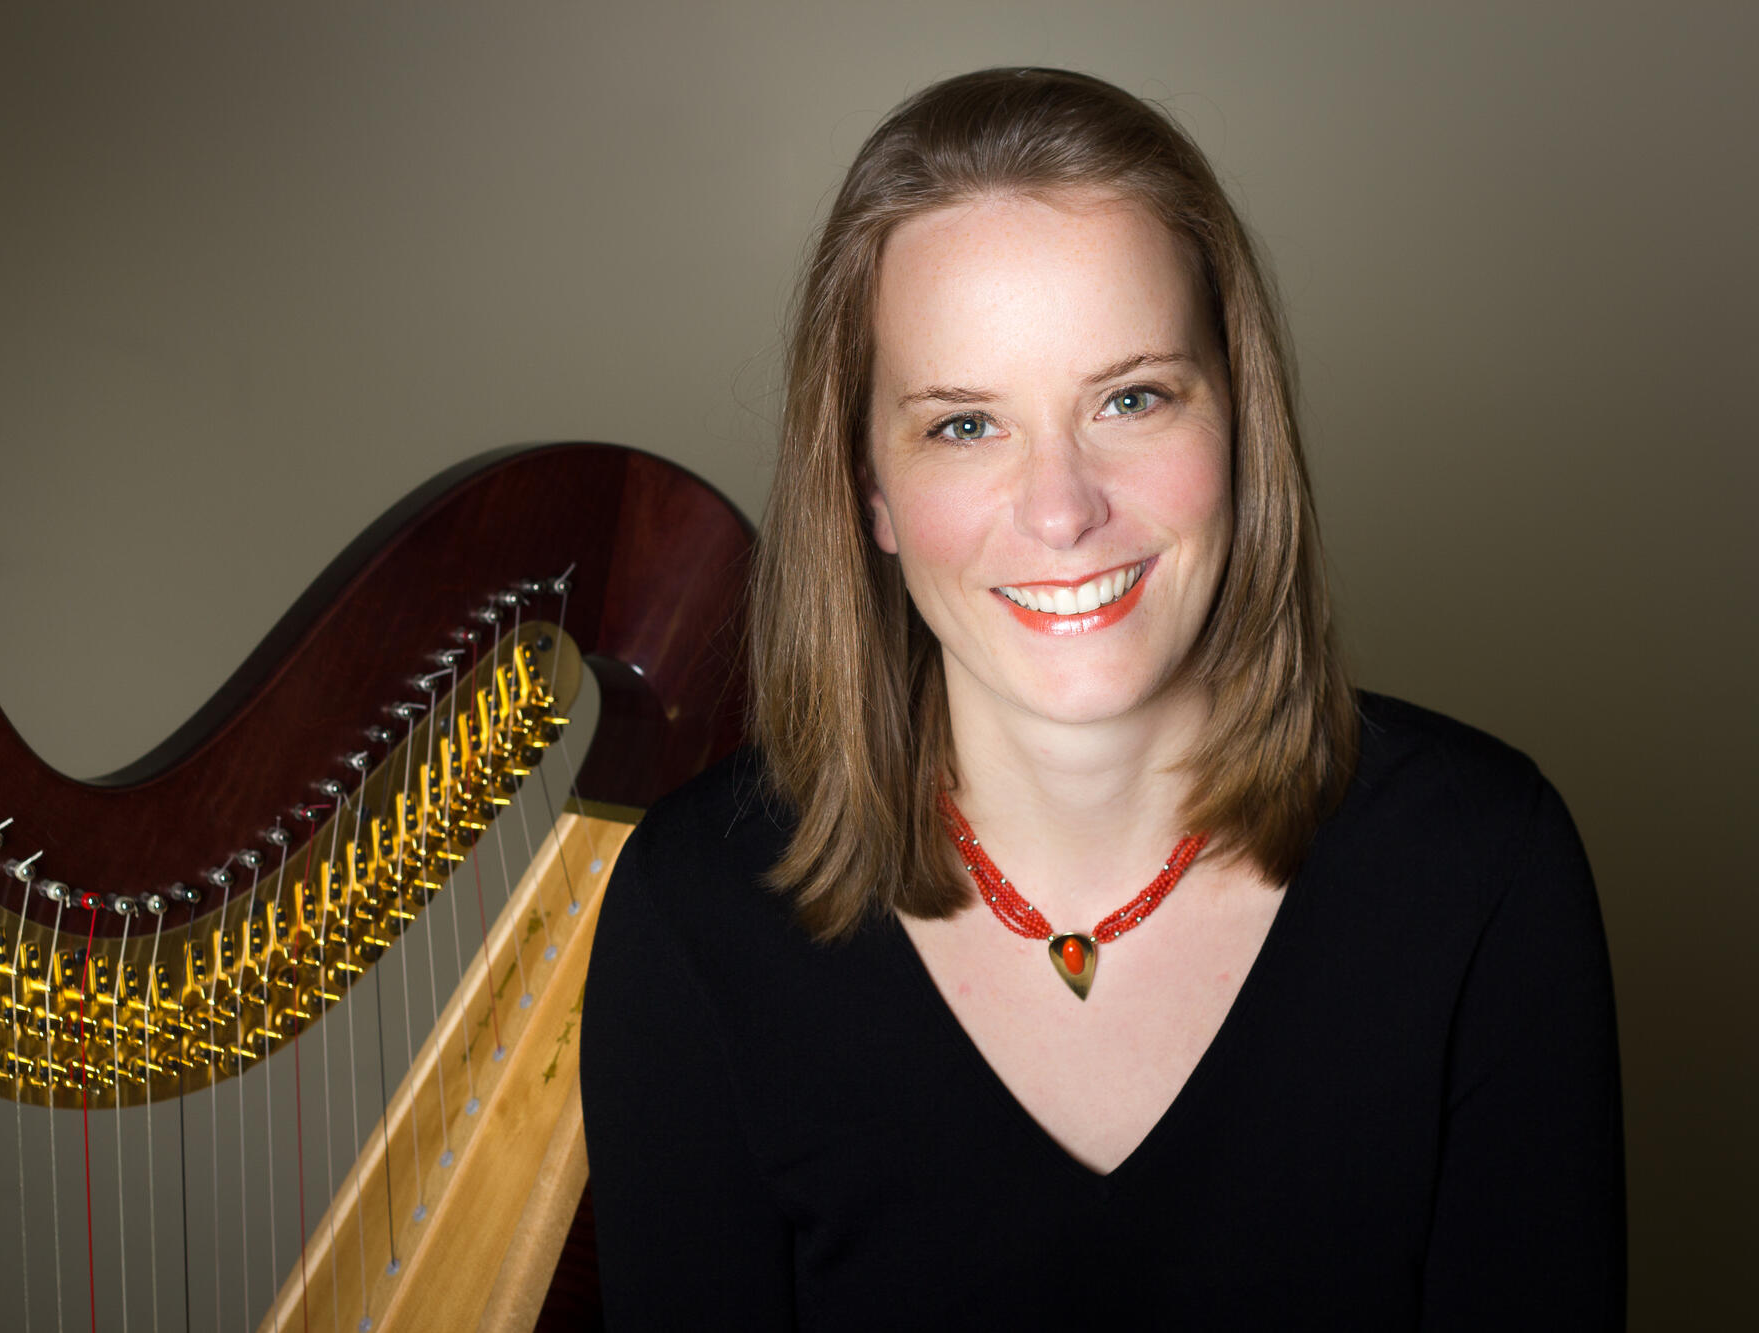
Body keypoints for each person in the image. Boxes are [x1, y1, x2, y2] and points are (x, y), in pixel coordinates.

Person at [580, 67, 1624, 1329]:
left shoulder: (1482, 870)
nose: (1062, 509)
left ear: (1239, 426)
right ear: (869, 493)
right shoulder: (694, 917)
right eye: (964, 425)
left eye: (1131, 398)